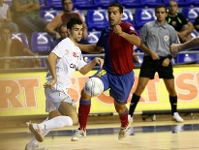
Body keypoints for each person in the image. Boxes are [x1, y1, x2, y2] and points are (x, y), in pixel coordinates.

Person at [71, 2, 158, 141]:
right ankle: (82, 129)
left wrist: (122, 34)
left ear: (121, 14)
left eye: (115, 13)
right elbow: (97, 49)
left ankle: (125, 123)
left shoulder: (126, 26)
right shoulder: (106, 31)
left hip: (124, 76)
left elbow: (137, 41)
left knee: (120, 107)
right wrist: (76, 45)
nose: (111, 15)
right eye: (109, 13)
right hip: (107, 71)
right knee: (86, 91)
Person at [25, 17, 104, 150]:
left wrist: (94, 61)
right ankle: (39, 127)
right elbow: (50, 58)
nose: (80, 33)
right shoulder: (65, 43)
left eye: (81, 30)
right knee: (73, 118)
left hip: (58, 88)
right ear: (69, 31)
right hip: (56, 87)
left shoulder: (76, 50)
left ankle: (32, 145)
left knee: (54, 117)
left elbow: (83, 70)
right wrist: (54, 78)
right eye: (76, 30)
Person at [128, 4, 184, 123]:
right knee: (140, 87)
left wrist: (169, 57)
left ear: (166, 14)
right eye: (158, 12)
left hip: (165, 60)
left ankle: (174, 113)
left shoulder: (170, 29)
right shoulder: (147, 26)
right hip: (149, 60)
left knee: (171, 89)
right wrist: (150, 52)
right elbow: (140, 43)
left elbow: (176, 46)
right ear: (155, 13)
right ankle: (130, 115)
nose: (160, 14)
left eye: (162, 12)